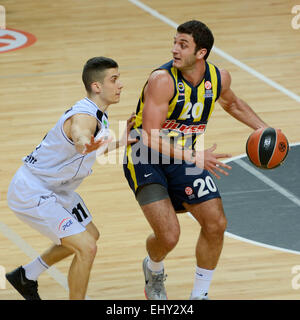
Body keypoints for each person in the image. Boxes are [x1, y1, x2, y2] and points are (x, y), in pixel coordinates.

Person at [123, 20, 268, 300]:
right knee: (169, 236)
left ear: (201, 53)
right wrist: (195, 156)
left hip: (184, 157)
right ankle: (153, 270)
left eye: (183, 45)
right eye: (175, 42)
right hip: (145, 156)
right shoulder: (162, 80)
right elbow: (151, 137)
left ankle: (200, 295)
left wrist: (263, 129)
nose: (174, 49)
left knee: (216, 223)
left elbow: (233, 103)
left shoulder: (218, 77)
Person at [6, 56, 136, 300]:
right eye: (114, 79)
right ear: (97, 86)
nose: (120, 85)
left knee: (91, 235)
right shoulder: (84, 116)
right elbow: (81, 135)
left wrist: (120, 141)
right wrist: (83, 142)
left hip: (58, 190)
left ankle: (26, 275)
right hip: (34, 191)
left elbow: (92, 146)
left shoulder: (99, 114)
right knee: (87, 247)